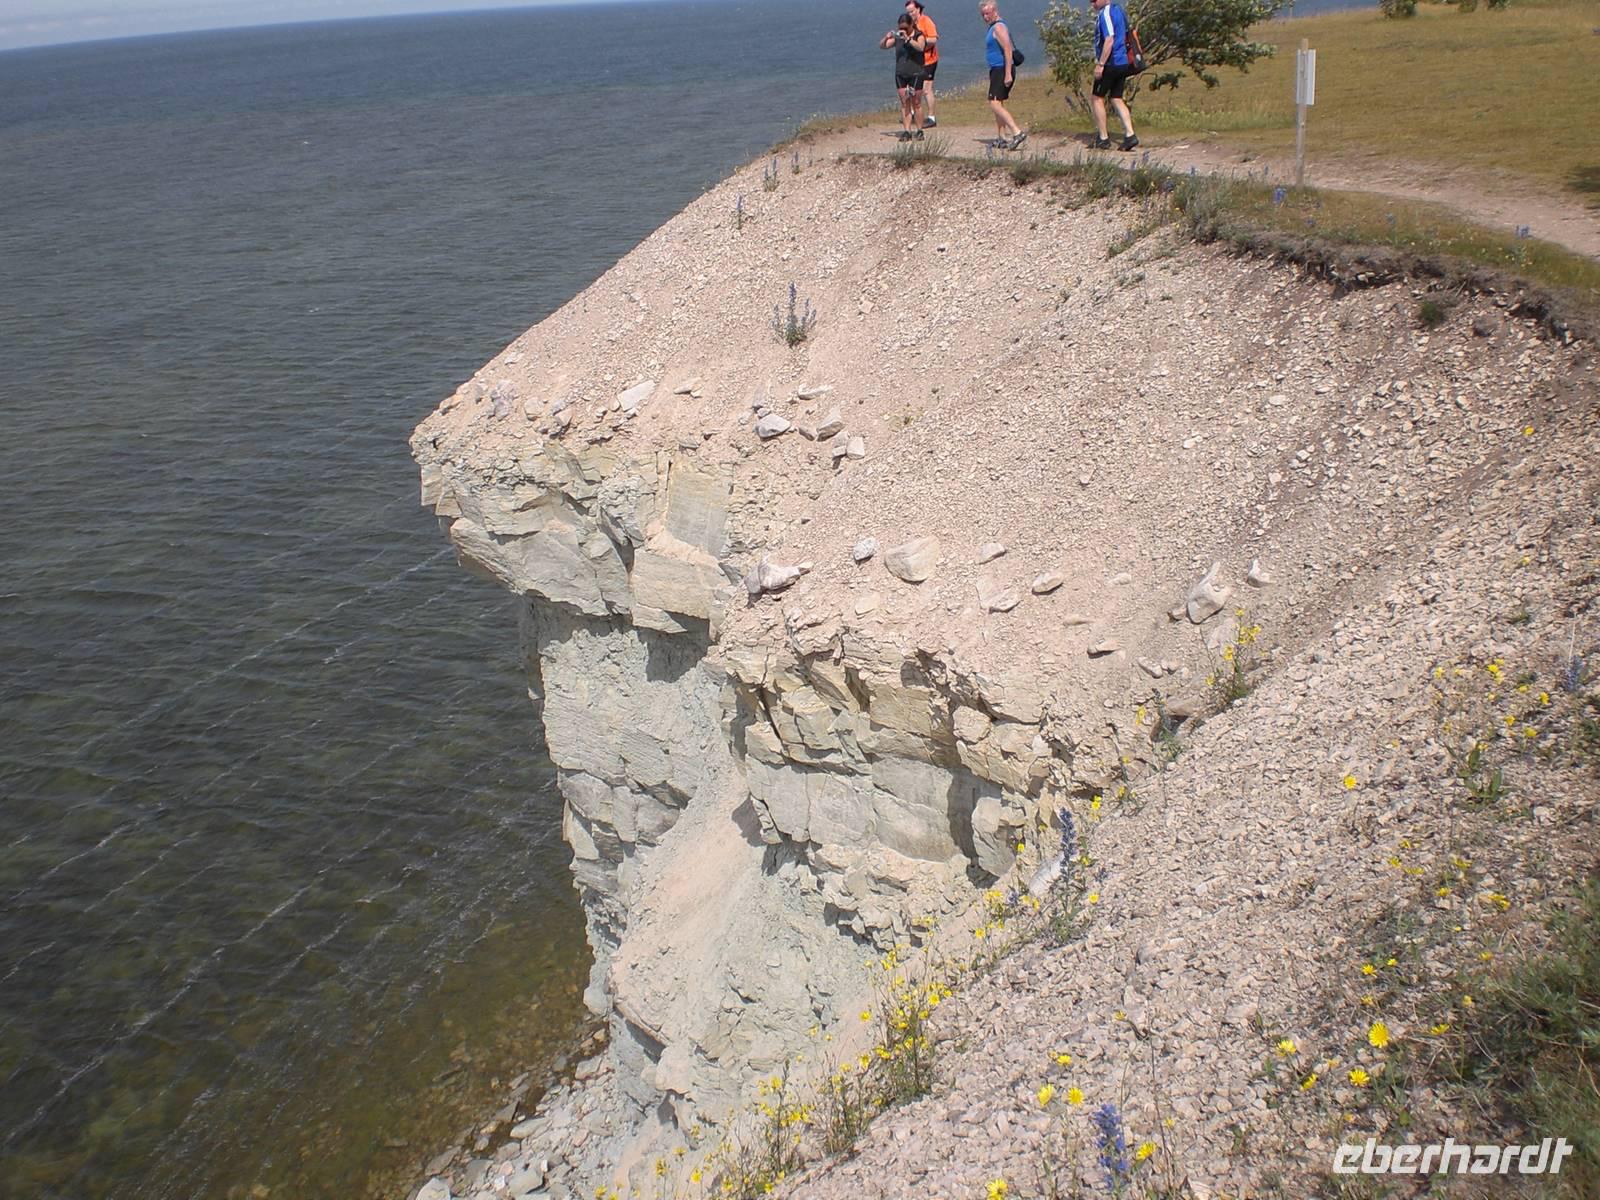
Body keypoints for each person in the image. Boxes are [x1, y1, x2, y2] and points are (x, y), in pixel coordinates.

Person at [1089, 0, 1139, 152]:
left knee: (1097, 97)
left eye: (1095, 0)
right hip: (1123, 61)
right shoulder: (1119, 10)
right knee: (1116, 98)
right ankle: (1130, 134)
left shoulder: (1105, 14)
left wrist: (1101, 64)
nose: (1092, 4)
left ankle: (1103, 138)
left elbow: (1109, 39)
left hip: (1111, 63)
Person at [978, 2, 1024, 151]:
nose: (985, 17)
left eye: (988, 13)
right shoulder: (993, 27)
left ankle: (1017, 132)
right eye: (983, 14)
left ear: (995, 11)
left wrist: (1008, 73)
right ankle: (1001, 137)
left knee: (994, 103)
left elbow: (1008, 49)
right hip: (996, 69)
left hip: (1002, 69)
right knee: (998, 103)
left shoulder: (999, 27)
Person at [881, 14, 929, 140]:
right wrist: (886, 37)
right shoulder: (898, 37)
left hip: (916, 73)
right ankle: (907, 131)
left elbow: (921, 47)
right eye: (901, 27)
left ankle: (919, 130)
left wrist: (908, 38)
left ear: (911, 25)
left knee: (916, 102)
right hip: (901, 74)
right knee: (904, 102)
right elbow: (883, 46)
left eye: (906, 28)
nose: (903, 30)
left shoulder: (919, 35)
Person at [904, 0, 939, 128]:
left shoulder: (926, 21)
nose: (910, 14)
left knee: (926, 89)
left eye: (912, 11)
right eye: (908, 12)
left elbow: (934, 38)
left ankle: (931, 117)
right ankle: (914, 114)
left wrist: (921, 41)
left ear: (918, 9)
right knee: (913, 88)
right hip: (915, 60)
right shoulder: (910, 24)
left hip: (929, 59)